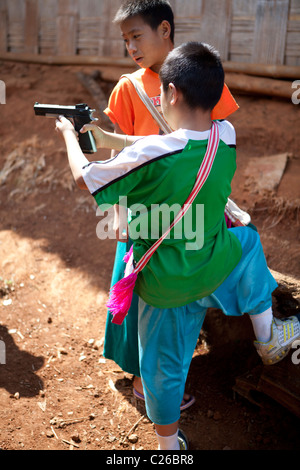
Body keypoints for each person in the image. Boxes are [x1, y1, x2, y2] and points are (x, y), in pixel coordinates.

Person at [56, 41, 300, 450]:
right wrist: (111, 138)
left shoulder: (156, 150)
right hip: (214, 265)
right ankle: (267, 334)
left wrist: (68, 133)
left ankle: (168, 445)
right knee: (247, 240)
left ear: (171, 94)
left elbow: (86, 177)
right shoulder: (227, 135)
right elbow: (165, 147)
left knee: (162, 368)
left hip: (165, 286)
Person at [101, 0, 239, 406]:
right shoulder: (128, 88)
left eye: (136, 36)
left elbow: (220, 138)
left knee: (180, 285)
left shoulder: (201, 75)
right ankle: (146, 381)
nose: (131, 47)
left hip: (192, 206)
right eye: (125, 40)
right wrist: (119, 209)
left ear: (165, 30)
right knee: (144, 287)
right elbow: (116, 155)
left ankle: (166, 372)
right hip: (149, 212)